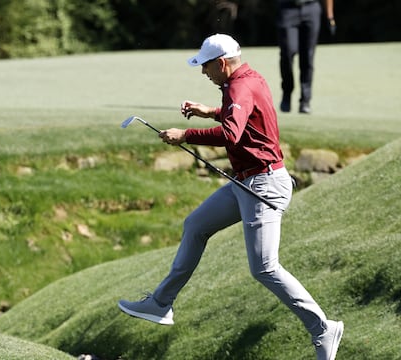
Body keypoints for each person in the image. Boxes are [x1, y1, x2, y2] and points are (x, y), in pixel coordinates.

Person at [117, 34, 343, 360]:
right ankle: (160, 304)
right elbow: (244, 117)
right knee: (196, 225)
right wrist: (210, 111)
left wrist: (186, 135)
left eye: (206, 66)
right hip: (245, 182)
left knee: (264, 267)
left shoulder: (239, 86)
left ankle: (323, 329)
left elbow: (232, 134)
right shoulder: (246, 79)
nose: (203, 72)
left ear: (221, 63)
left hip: (264, 184)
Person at [277, 0, 336, 114]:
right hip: (287, 9)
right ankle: (287, 92)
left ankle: (305, 101)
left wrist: (330, 16)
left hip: (311, 8)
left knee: (308, 56)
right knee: (288, 52)